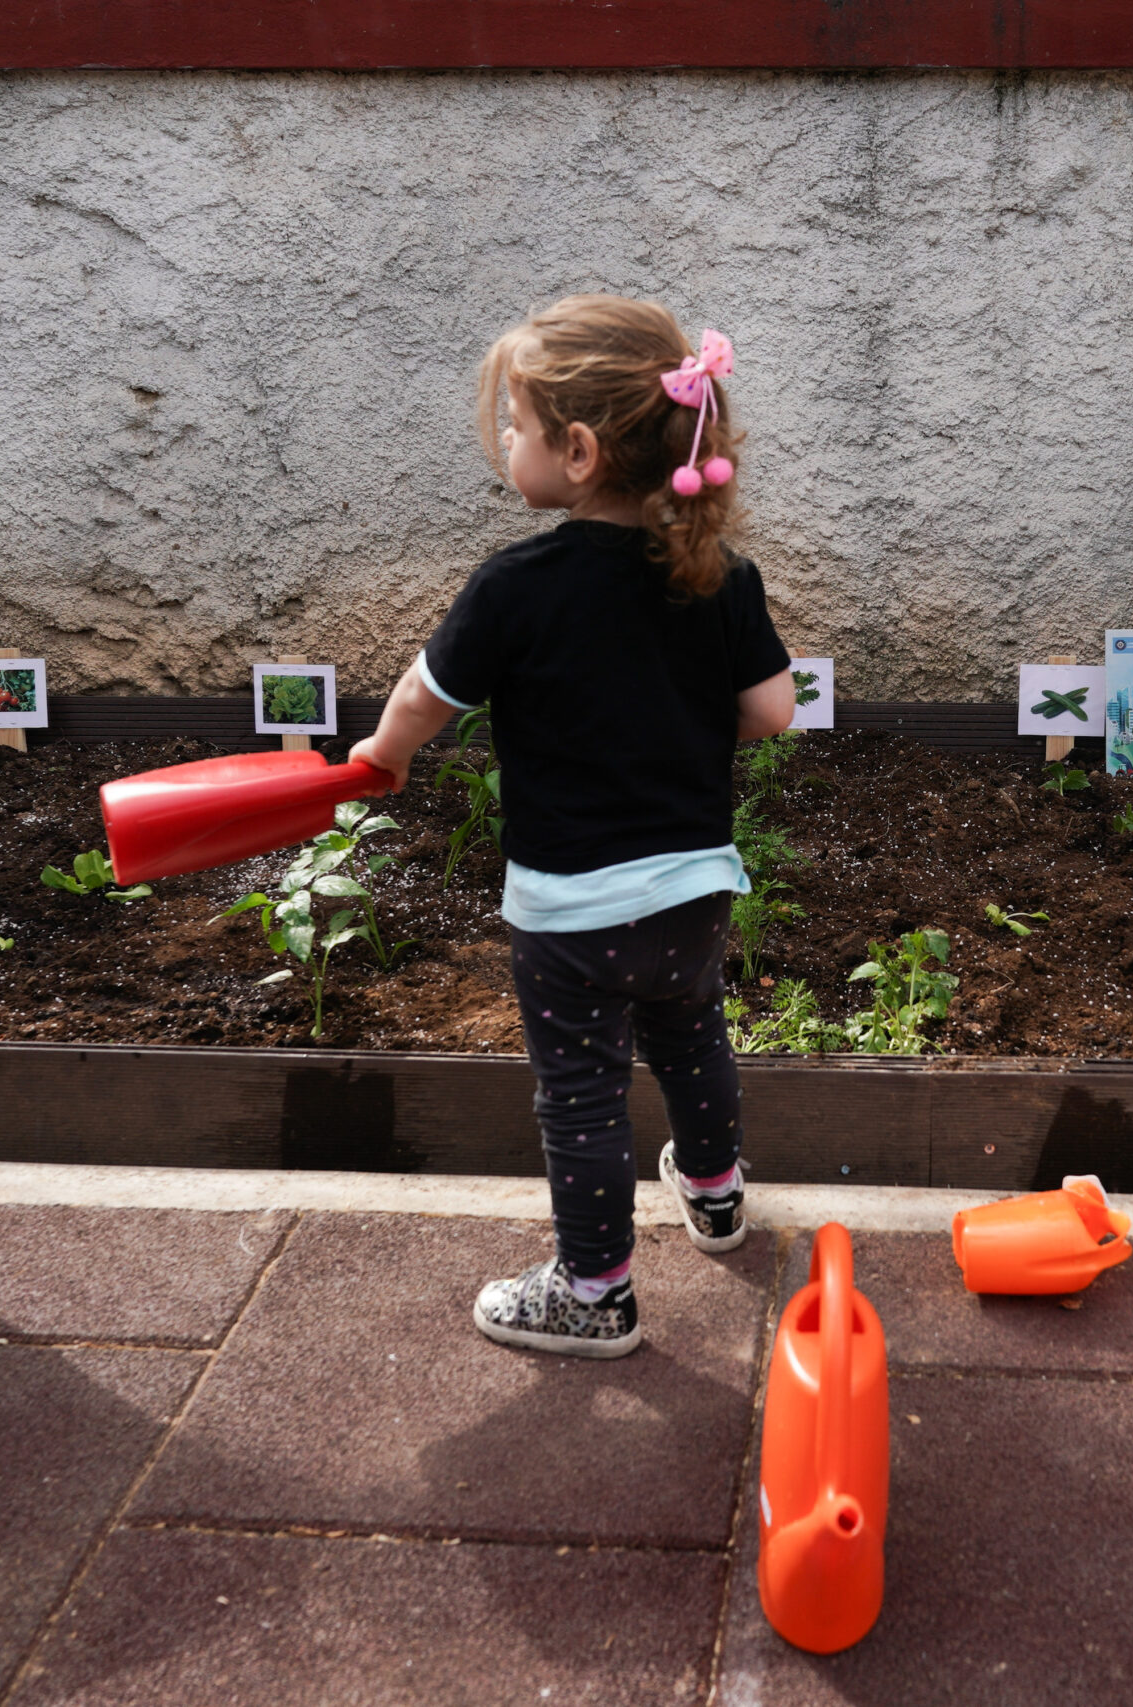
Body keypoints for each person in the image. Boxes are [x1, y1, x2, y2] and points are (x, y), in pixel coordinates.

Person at [351, 297, 794, 1357]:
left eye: (516, 422)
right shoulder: (717, 576)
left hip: (572, 908)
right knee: (693, 1039)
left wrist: (385, 757)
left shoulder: (515, 588)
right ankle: (718, 1198)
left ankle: (593, 1295)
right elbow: (771, 712)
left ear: (581, 452)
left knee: (583, 1098)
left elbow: (424, 698)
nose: (505, 440)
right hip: (693, 888)